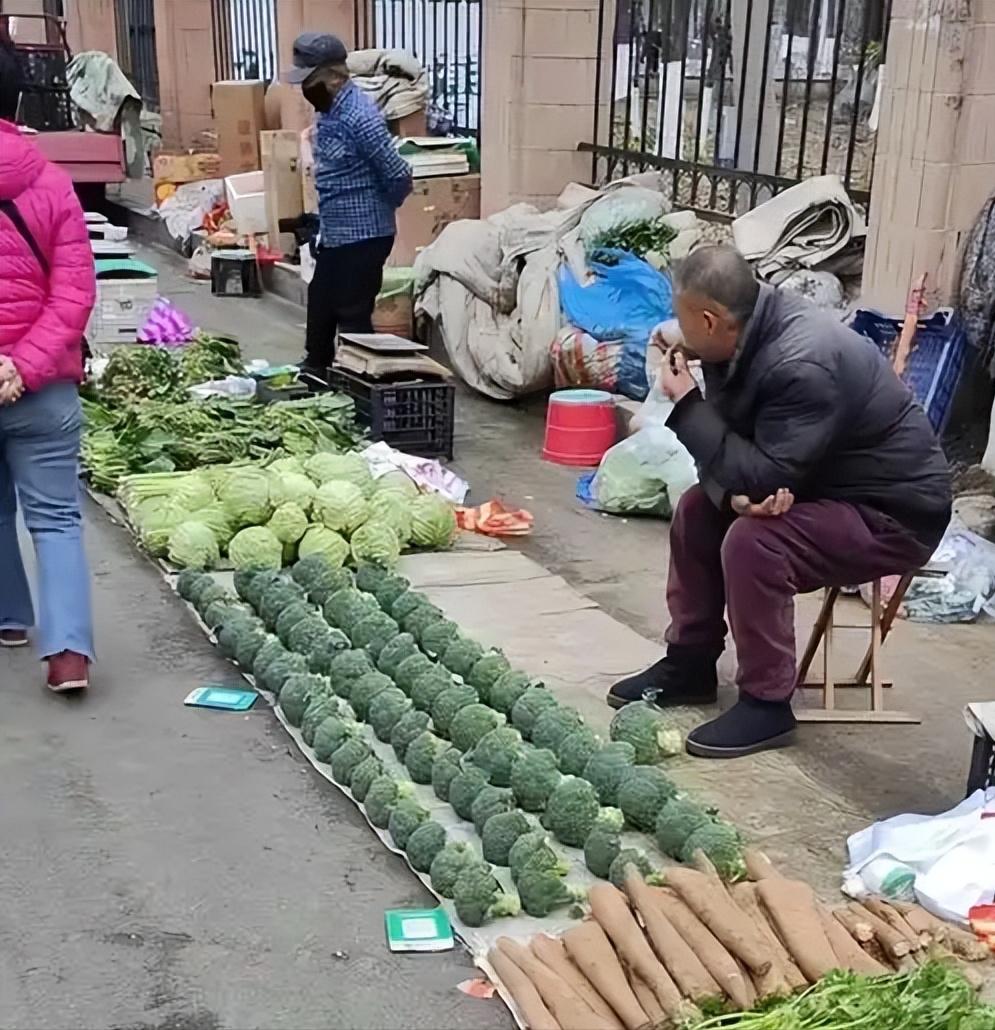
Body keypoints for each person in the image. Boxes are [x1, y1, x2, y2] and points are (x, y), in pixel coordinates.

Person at [608, 246, 952, 758]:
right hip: (821, 477)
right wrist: (735, 491)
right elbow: (743, 466)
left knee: (757, 542)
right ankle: (691, 662)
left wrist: (687, 406)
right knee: (698, 510)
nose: (676, 334)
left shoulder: (802, 362)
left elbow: (764, 475)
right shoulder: (746, 324)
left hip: (893, 511)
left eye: (683, 321)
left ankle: (767, 704)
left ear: (710, 317)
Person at [0, 39, 96, 691]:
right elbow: (75, 291)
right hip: (42, 388)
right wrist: (21, 366)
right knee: (56, 517)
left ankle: (8, 615)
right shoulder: (51, 181)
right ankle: (67, 655)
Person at [285, 33, 413, 376]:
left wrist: (379, 208)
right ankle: (315, 369)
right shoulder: (329, 109)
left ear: (335, 76)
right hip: (336, 232)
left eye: (310, 80)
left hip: (365, 234)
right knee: (322, 302)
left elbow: (398, 173)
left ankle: (362, 383)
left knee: (352, 313)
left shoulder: (361, 117)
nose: (305, 88)